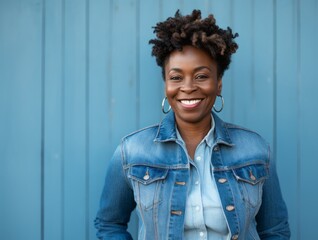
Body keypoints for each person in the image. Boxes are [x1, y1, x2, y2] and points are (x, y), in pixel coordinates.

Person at [94, 9, 290, 240]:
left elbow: (275, 230)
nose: (188, 87)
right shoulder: (132, 151)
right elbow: (109, 224)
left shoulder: (255, 150)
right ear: (166, 85)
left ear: (218, 84)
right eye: (176, 77)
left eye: (201, 76)